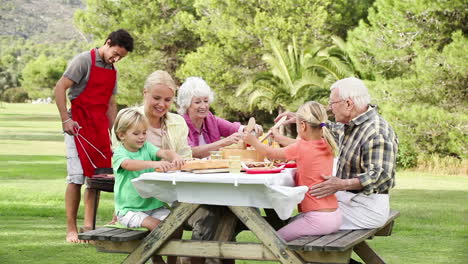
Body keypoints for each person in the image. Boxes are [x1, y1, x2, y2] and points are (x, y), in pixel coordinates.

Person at [274, 77, 398, 231]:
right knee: (302, 214)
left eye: (332, 103)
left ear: (348, 103)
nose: (330, 108)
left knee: (298, 225)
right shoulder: (352, 125)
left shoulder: (376, 131)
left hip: (365, 209)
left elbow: (381, 176)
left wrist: (341, 184)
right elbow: (329, 128)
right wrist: (302, 118)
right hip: (349, 199)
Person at [54, 29, 134, 243]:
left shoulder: (112, 70)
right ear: (107, 42)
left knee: (96, 176)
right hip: (77, 124)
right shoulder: (83, 61)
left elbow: (110, 103)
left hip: (98, 126)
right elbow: (60, 88)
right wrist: (65, 120)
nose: (116, 59)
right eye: (115, 54)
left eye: (121, 58)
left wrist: (117, 135)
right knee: (76, 177)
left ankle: (88, 227)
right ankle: (71, 229)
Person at [244, 101, 342, 241]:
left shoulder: (301, 148)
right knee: (289, 228)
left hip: (318, 219)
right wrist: (278, 137)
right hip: (335, 215)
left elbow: (271, 153)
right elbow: (299, 145)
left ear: (303, 125)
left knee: (275, 241)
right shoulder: (326, 143)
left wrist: (253, 141)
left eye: (296, 125)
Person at [113, 108, 184, 264]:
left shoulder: (147, 147)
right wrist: (154, 163)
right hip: (129, 210)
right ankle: (156, 259)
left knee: (176, 226)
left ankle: (173, 261)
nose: (141, 137)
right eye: (136, 133)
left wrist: (175, 156)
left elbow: (165, 153)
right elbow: (129, 164)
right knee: (159, 227)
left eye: (144, 133)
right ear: (122, 135)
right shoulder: (120, 154)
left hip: (154, 206)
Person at [176, 76, 263, 158]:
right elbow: (191, 152)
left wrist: (250, 129)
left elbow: (233, 128)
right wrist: (225, 142)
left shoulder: (210, 119)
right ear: (186, 104)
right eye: (197, 102)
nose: (203, 106)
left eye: (206, 101)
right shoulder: (179, 125)